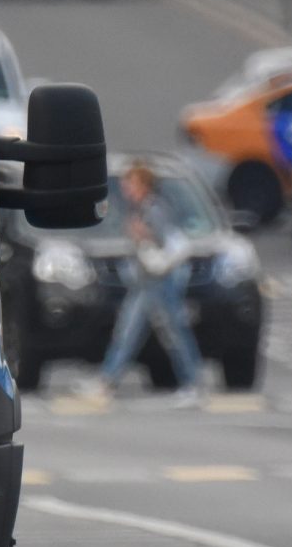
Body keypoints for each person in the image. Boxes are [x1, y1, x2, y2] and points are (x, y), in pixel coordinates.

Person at [83, 161, 204, 402]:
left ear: (144, 186)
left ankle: (193, 383)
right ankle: (108, 380)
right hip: (146, 282)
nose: (127, 189)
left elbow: (171, 242)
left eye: (131, 184)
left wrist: (143, 236)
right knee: (128, 332)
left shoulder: (154, 210)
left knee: (174, 332)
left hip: (160, 282)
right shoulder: (143, 209)